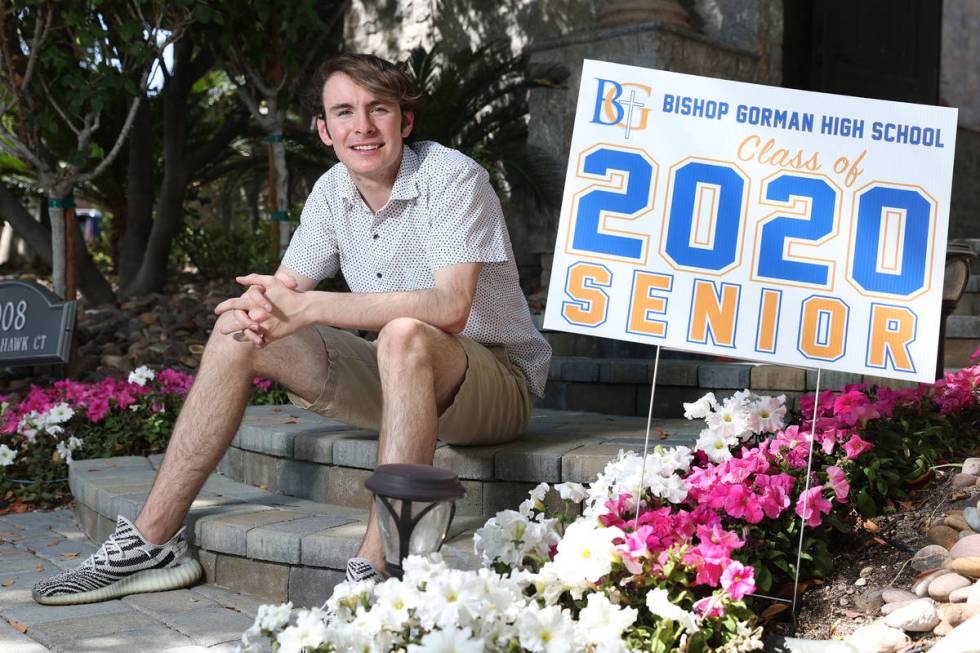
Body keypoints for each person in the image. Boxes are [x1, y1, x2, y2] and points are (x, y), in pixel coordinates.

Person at [32, 53, 551, 605]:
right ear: (325, 131)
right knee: (238, 333)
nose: (364, 127)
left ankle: (380, 570)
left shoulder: (452, 178)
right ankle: (152, 542)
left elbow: (450, 308)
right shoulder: (333, 192)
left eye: (379, 109)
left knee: (404, 333)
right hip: (400, 379)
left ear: (406, 121)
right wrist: (255, 307)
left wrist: (311, 308)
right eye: (345, 112)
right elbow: (285, 290)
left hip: (493, 383)